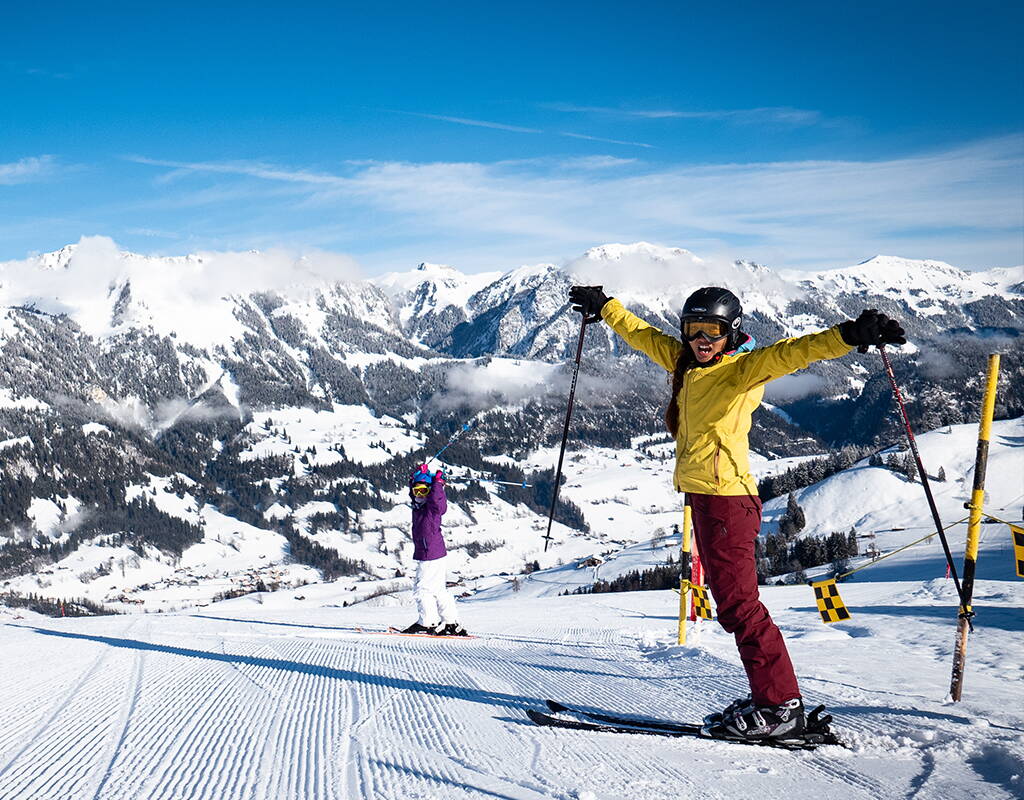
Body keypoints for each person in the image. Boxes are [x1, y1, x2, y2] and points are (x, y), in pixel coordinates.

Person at [569, 284, 905, 740]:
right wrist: (605, 307)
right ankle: (774, 699)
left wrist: (849, 334)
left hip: (727, 502)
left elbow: (795, 352)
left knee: (741, 608)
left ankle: (780, 706)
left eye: (713, 331)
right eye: (693, 330)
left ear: (732, 332)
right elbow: (643, 335)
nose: (701, 340)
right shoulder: (686, 362)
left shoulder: (742, 369)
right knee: (735, 606)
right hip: (707, 499)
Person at [402, 464, 468, 636]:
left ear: (430, 492)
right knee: (438, 590)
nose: (418, 495)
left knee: (422, 589)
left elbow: (438, 502)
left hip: (429, 553)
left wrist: (438, 483)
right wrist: (415, 477)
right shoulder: (419, 505)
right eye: (417, 491)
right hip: (435, 552)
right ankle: (450, 621)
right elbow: (414, 491)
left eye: (423, 491)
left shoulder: (432, 507)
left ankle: (428, 622)